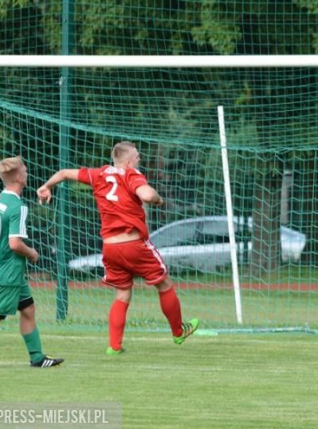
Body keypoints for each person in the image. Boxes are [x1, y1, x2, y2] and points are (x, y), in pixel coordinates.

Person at [37, 141, 199, 355]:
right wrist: (158, 200)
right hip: (133, 244)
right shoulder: (131, 174)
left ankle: (114, 346)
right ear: (129, 160)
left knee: (122, 294)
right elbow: (148, 195)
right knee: (164, 284)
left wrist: (47, 186)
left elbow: (65, 173)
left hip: (110, 248)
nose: (139, 159)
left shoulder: (100, 174)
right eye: (138, 156)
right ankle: (178, 332)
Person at [0, 157, 64, 368]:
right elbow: (15, 244)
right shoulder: (18, 206)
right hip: (8, 273)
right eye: (25, 170)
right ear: (18, 176)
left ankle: (37, 358)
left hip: (6, 270)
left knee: (28, 309)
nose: (27, 173)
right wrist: (32, 253)